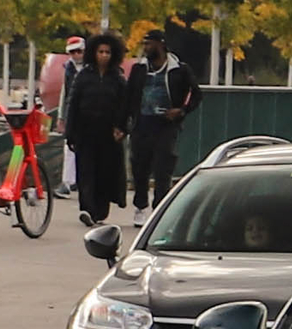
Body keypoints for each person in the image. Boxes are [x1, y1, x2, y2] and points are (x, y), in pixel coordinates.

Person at [120, 29, 201, 221]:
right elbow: (128, 96)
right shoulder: (139, 69)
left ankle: (159, 211)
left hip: (166, 126)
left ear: (161, 44)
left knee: (163, 168)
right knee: (139, 167)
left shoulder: (179, 69)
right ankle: (140, 206)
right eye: (145, 44)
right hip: (142, 124)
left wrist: (181, 110)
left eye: (150, 44)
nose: (146, 48)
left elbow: (197, 94)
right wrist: (123, 124)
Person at [64, 36, 129, 226]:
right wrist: (70, 132)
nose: (103, 56)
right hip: (85, 131)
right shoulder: (83, 76)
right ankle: (87, 209)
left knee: (105, 172)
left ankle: (100, 210)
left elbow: (125, 105)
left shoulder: (118, 78)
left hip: (108, 133)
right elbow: (73, 104)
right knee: (85, 171)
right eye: (100, 52)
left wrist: (122, 127)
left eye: (107, 52)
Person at [40, 36, 85, 198]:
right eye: (72, 52)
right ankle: (67, 182)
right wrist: (61, 117)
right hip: (74, 113)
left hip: (90, 113)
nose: (76, 55)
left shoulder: (90, 67)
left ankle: (80, 182)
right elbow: (65, 93)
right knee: (69, 147)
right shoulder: (69, 68)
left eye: (79, 51)